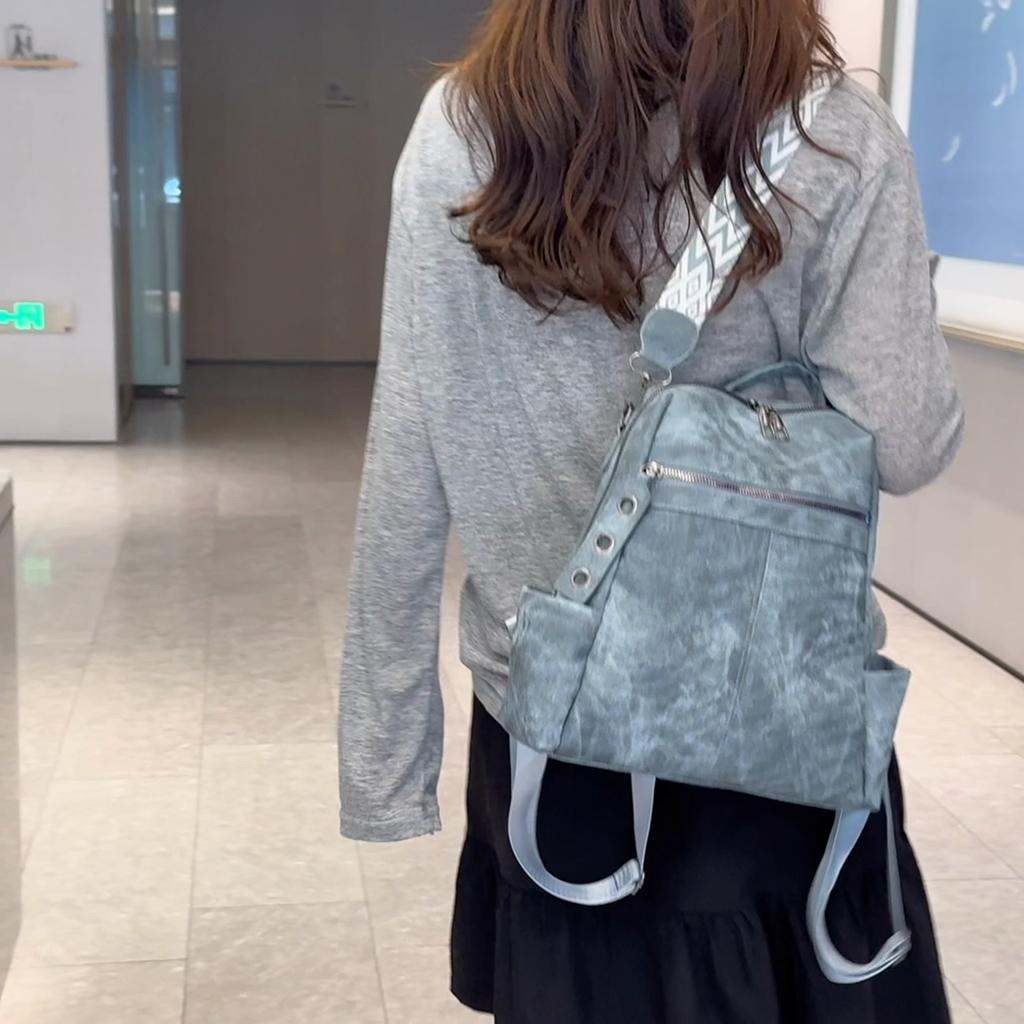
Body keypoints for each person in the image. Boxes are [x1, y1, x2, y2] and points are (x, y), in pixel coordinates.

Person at [337, 1, 965, 1021]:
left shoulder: (460, 128)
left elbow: (409, 448)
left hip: (546, 726)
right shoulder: (833, 138)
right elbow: (908, 443)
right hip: (773, 728)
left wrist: (386, 759)